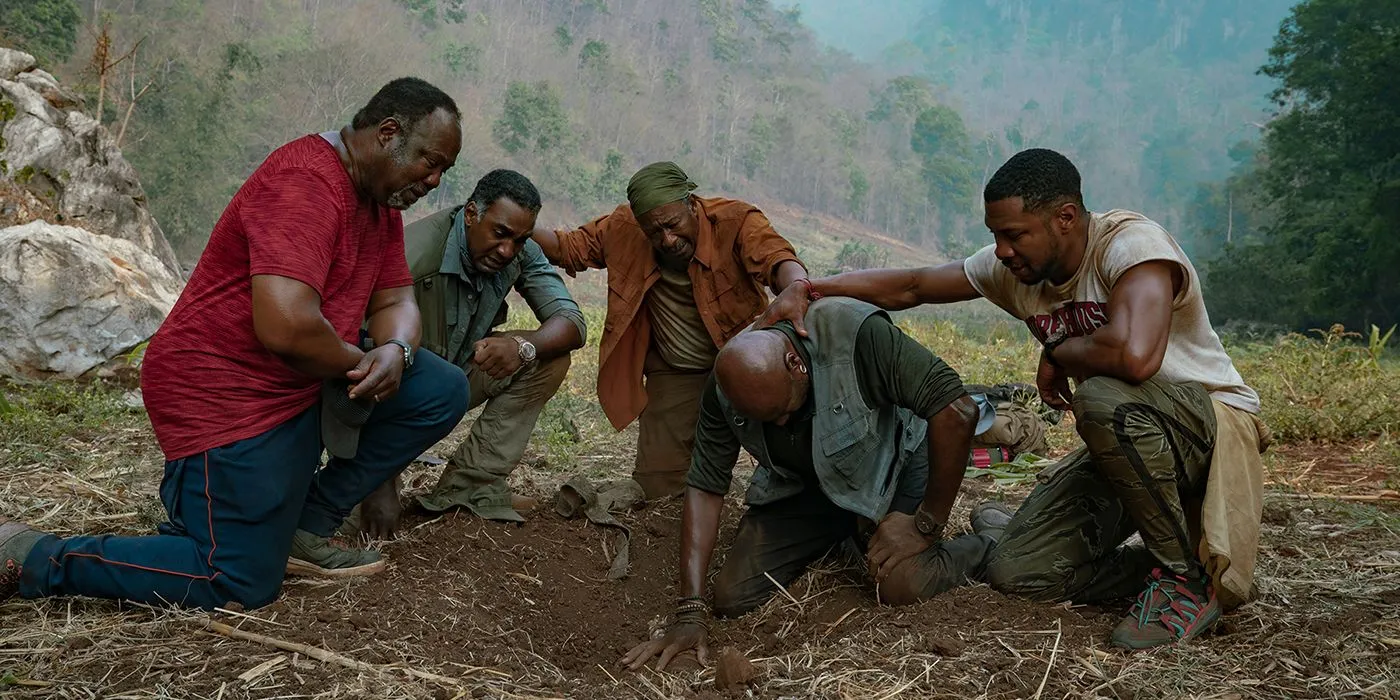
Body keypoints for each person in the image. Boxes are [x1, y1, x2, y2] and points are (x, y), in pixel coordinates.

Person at [756, 148, 1270, 651]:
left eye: (1014, 234)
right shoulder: (1017, 270)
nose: (1002, 249)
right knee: (1019, 571)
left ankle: (1184, 581)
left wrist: (1061, 351)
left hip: (1209, 428)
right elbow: (913, 286)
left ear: (1065, 217)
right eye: (995, 235)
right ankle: (1153, 564)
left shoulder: (1131, 246)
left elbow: (1136, 358)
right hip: (1132, 451)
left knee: (1103, 401)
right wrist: (810, 288)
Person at [0, 77, 471, 611]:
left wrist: (397, 353)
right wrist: (362, 361)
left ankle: (303, 527)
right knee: (235, 580)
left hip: (298, 383)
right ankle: (35, 556)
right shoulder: (306, 182)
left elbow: (397, 304)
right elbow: (287, 327)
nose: (433, 181)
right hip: (223, 390)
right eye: (429, 162)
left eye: (443, 171)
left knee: (438, 387)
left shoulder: (380, 204)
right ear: (388, 134)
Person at [622, 297, 995, 671]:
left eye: (785, 411)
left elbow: (958, 411)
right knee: (734, 595)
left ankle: (989, 541)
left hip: (896, 464)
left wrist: (925, 524)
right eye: (768, 421)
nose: (782, 425)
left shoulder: (856, 335)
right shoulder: (726, 385)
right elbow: (705, 485)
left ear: (795, 363)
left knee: (899, 584)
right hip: (808, 485)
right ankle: (850, 530)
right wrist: (690, 611)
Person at [532, 162, 808, 499]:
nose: (668, 240)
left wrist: (796, 286)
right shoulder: (624, 228)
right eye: (654, 232)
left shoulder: (735, 221)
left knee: (791, 470)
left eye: (673, 225)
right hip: (677, 372)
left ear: (692, 205)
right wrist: (518, 224)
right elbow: (568, 248)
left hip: (748, 367)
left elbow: (776, 258)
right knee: (657, 487)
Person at [353, 169, 586, 537]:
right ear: (472, 214)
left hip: (452, 380)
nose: (508, 250)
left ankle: (469, 486)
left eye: (520, 239)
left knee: (549, 356)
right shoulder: (413, 256)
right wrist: (381, 480)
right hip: (389, 396)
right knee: (347, 515)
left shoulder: (518, 252)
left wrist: (524, 347)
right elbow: (364, 365)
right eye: (500, 234)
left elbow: (571, 321)